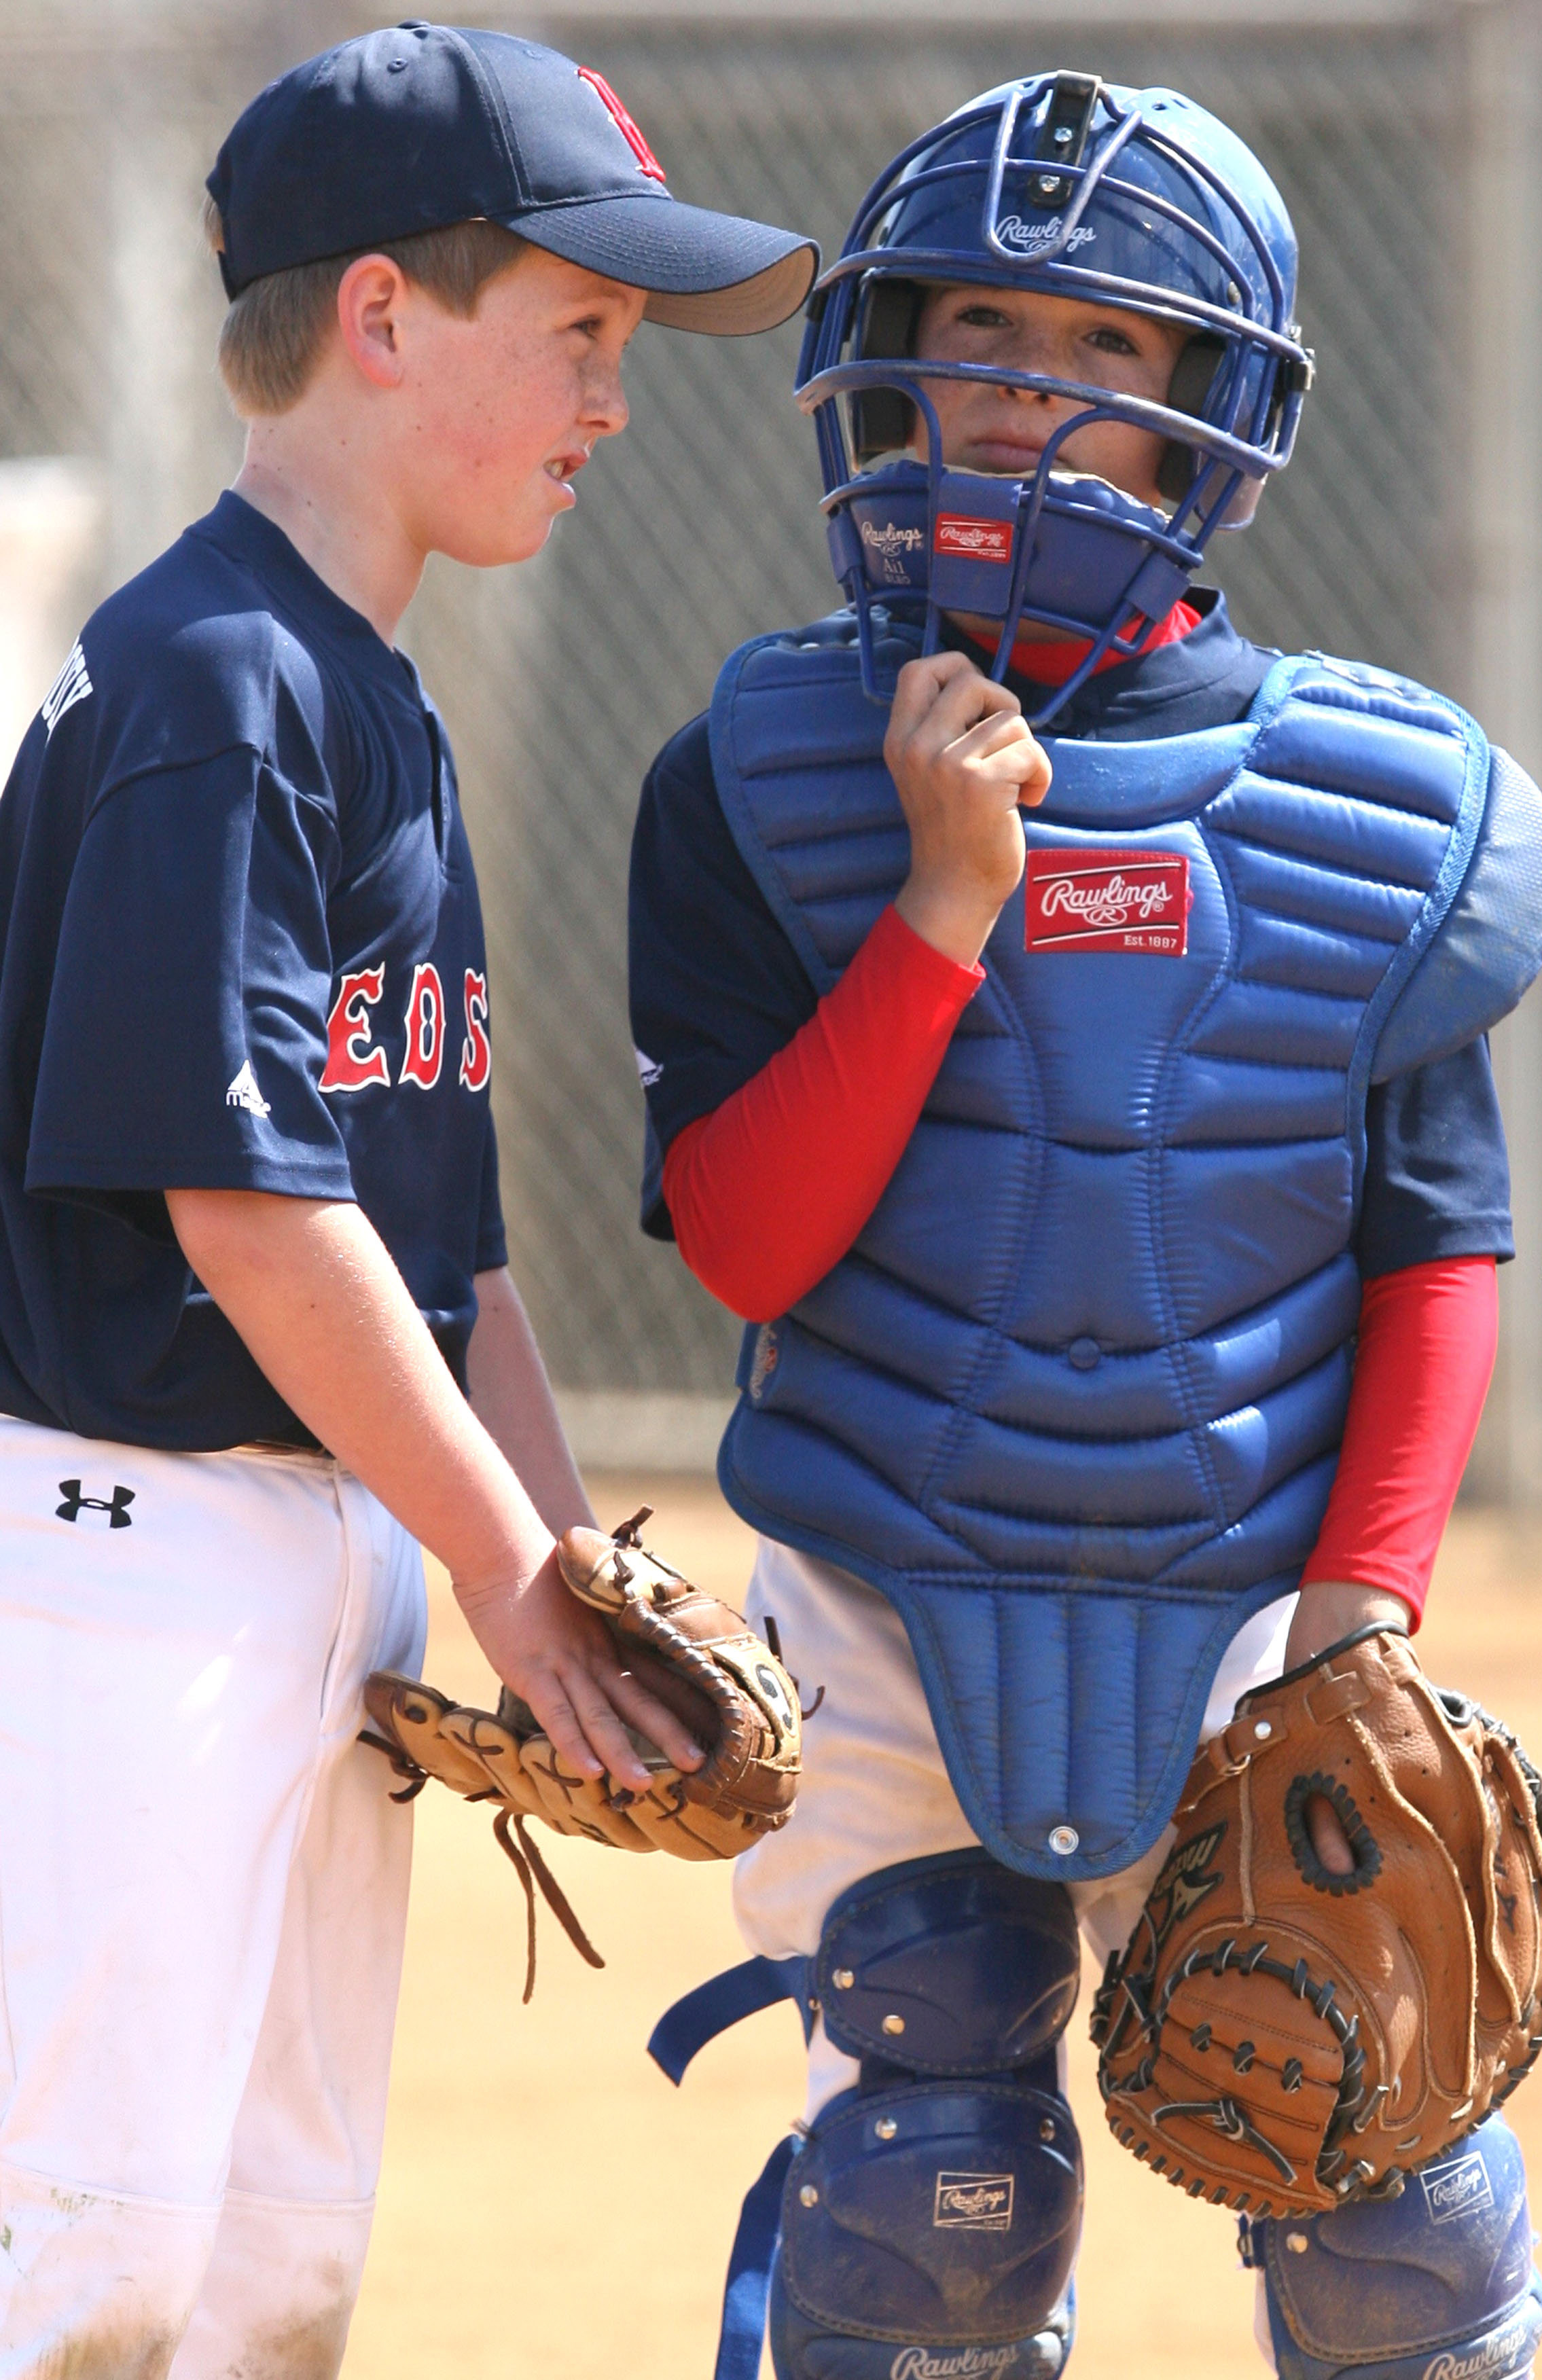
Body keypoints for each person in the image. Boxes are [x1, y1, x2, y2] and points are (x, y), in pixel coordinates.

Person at [628, 72, 1542, 2380]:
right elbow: (744, 1250)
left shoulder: (1374, 812)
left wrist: (1371, 1601)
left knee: (1394, 2229)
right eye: (973, 329)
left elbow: (1439, 1234)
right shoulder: (759, 776)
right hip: (883, 1582)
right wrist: (943, 902)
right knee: (919, 2215)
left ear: (1209, 416)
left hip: (1257, 1608)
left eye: (1101, 354)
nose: (1017, 399)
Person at [0, 22, 815, 2376]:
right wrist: (509, 1572)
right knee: (92, 2256)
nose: (613, 400)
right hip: (118, 1553)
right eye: (579, 334)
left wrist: (569, 1563)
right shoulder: (215, 681)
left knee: (267, 2275)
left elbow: (441, 1254)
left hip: (316, 1544)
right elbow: (248, 1215)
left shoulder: (372, 693)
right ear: (380, 316)